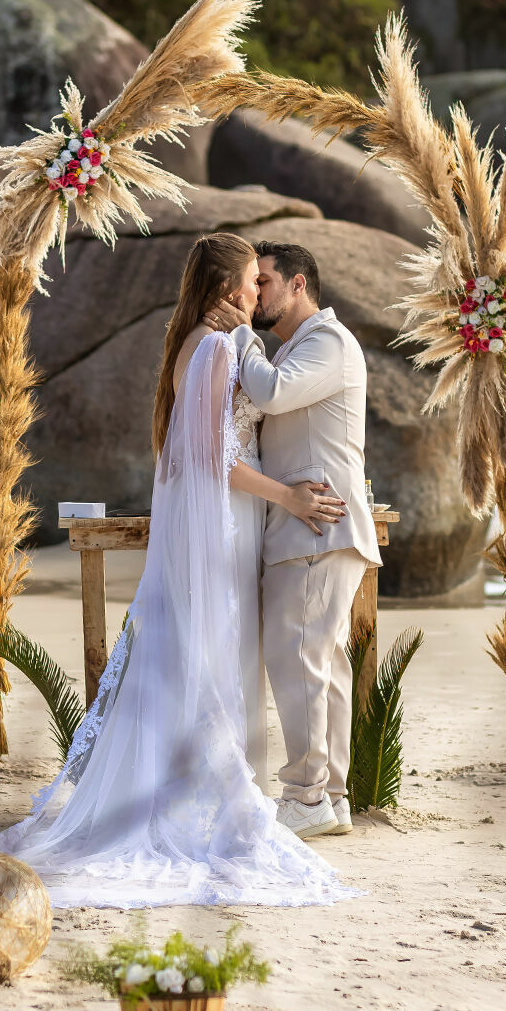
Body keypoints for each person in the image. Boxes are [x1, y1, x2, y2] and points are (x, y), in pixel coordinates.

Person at [0, 233, 357, 909]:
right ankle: (207, 794)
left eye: (263, 281)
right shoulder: (216, 347)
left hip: (226, 517)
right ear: (226, 290)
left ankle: (206, 784)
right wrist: (290, 496)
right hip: (228, 517)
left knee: (209, 650)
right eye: (251, 281)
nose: (258, 293)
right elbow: (214, 458)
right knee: (216, 652)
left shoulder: (195, 345)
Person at [203, 241, 384, 838]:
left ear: (298, 284)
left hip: (317, 527)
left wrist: (240, 337)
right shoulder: (301, 348)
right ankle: (329, 797)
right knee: (321, 665)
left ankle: (306, 797)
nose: (257, 294)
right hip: (309, 526)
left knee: (299, 660)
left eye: (267, 280)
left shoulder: (326, 342)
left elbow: (272, 394)